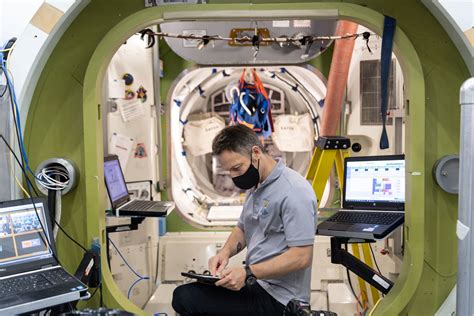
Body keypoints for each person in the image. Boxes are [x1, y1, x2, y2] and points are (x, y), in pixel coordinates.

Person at [172, 125, 318, 316]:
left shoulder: (294, 191)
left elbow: (301, 257)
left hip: (280, 299)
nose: (233, 176)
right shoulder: (257, 183)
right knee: (186, 292)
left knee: (185, 298)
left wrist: (248, 273)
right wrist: (224, 254)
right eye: (228, 171)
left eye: (236, 168)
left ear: (256, 153)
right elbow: (243, 227)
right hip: (257, 283)